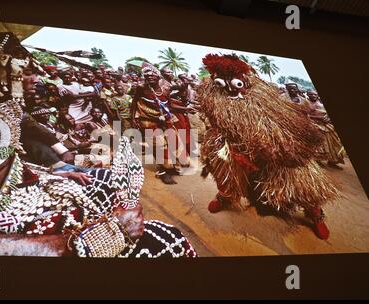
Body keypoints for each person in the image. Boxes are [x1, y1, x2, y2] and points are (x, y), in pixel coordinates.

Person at [0, 32, 197, 258]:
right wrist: (101, 237)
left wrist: (54, 171)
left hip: (26, 187)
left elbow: (9, 162)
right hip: (4, 215)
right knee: (165, 241)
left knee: (102, 180)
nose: (37, 80)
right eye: (26, 72)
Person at [198, 54, 339, 240]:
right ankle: (225, 197)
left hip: (274, 150)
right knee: (227, 176)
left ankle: (315, 213)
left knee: (300, 183)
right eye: (223, 82)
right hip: (232, 146)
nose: (231, 88)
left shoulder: (262, 94)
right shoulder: (211, 94)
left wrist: (278, 147)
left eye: (235, 82)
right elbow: (214, 118)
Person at [130, 63, 182, 184]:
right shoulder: (141, 88)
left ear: (159, 78)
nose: (150, 79)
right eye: (147, 77)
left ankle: (171, 166)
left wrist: (184, 109)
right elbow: (134, 102)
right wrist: (133, 118)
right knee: (158, 146)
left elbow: (169, 105)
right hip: (148, 119)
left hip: (165, 119)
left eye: (152, 77)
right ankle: (163, 171)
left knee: (173, 143)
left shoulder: (166, 88)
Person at [307, 90, 345, 168]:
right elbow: (306, 115)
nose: (313, 96)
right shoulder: (306, 104)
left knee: (334, 143)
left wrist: (327, 117)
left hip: (327, 125)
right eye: (311, 94)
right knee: (321, 144)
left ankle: (332, 161)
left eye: (315, 94)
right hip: (315, 124)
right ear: (308, 95)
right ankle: (318, 161)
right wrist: (318, 118)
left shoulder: (321, 103)